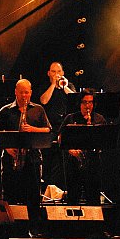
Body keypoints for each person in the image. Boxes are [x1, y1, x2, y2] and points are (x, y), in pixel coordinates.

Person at [0, 79, 51, 236]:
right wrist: (6, 146)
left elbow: (48, 131)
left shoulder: (38, 109)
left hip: (32, 159)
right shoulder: (5, 110)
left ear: (30, 92)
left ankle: (34, 229)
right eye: (21, 92)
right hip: (11, 159)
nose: (24, 95)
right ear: (15, 92)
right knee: (9, 195)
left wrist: (32, 129)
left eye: (27, 92)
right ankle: (8, 229)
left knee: (33, 196)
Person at [59, 89, 107, 204]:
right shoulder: (70, 118)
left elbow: (104, 141)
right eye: (84, 102)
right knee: (73, 197)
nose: (87, 106)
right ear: (79, 104)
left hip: (93, 163)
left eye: (90, 102)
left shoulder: (99, 119)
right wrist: (70, 150)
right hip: (73, 163)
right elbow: (60, 138)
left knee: (93, 197)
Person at [39, 62, 76, 191]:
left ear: (63, 73)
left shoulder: (68, 86)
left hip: (65, 128)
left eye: (59, 71)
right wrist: (53, 85)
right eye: (53, 72)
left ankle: (63, 191)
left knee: (63, 163)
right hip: (49, 129)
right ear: (48, 73)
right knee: (48, 161)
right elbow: (43, 101)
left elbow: (75, 100)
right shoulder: (45, 86)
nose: (56, 75)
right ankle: (46, 190)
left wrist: (64, 86)